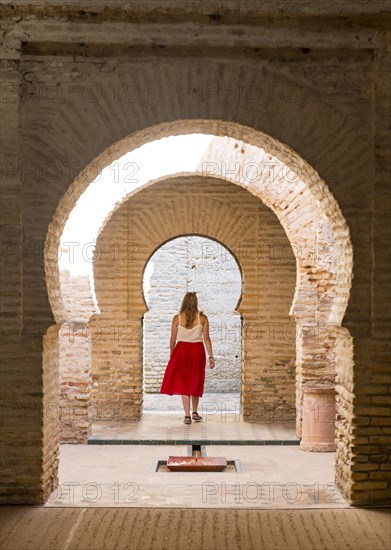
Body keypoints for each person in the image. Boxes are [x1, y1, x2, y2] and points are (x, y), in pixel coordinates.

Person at [160, 291, 215, 424]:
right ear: (195, 302)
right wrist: (211, 356)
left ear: (184, 301)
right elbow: (206, 338)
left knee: (184, 383)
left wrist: (172, 355)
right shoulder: (203, 318)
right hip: (197, 350)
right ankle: (195, 412)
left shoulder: (176, 318)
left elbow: (172, 340)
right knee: (196, 381)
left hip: (181, 351)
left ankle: (187, 415)